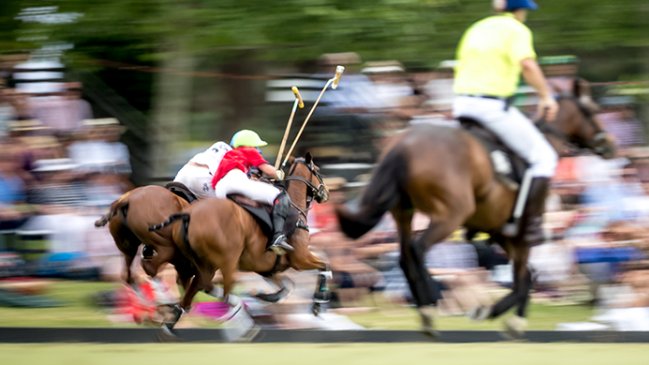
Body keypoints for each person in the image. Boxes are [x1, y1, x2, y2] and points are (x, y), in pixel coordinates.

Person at [452, 0, 559, 244]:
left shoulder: (477, 27)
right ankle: (528, 224)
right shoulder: (516, 29)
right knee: (544, 158)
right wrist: (545, 96)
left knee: (500, 156)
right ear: (520, 10)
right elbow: (527, 65)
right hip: (491, 106)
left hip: (461, 104)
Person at [211, 129, 292, 254]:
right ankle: (277, 237)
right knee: (281, 196)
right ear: (250, 144)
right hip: (236, 181)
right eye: (256, 145)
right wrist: (279, 174)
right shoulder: (249, 151)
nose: (257, 148)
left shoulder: (228, 155)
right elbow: (268, 170)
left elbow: (214, 181)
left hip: (220, 188)